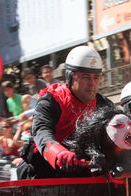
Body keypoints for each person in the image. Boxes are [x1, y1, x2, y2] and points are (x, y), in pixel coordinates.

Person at [17, 46, 114, 179]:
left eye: (96, 77)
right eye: (86, 77)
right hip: (44, 171)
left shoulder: (103, 103)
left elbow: (122, 126)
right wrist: (59, 153)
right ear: (70, 77)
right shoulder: (51, 100)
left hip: (80, 169)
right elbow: (41, 130)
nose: (92, 84)